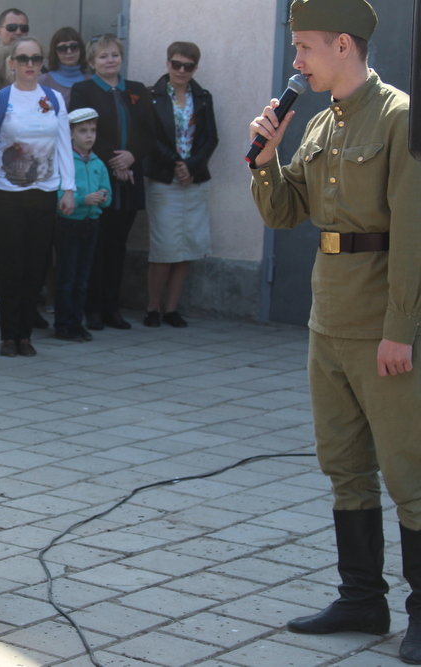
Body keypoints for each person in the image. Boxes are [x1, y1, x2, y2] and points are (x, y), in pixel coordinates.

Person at [248, 1, 421, 662]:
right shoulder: (320, 124)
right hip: (330, 320)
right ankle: (361, 597)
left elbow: (412, 234)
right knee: (344, 465)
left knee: (410, 471)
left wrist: (401, 327)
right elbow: (287, 211)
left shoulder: (401, 119)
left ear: (343, 44)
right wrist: (266, 159)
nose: (296, 63)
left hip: (383, 324)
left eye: (305, 50)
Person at [0, 36, 75, 358]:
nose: (30, 65)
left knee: (35, 266)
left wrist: (69, 189)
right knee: (9, 266)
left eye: (36, 59)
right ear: (12, 63)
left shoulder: (54, 99)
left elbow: (64, 144)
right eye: (23, 59)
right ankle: (8, 336)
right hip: (7, 193)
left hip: (44, 193)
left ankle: (25, 336)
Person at [69, 34, 153, 331]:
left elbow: (148, 131)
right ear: (92, 62)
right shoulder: (83, 90)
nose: (110, 60)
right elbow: (84, 130)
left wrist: (131, 157)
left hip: (129, 179)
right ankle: (91, 309)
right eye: (103, 56)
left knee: (118, 247)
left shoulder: (138, 90)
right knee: (96, 245)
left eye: (114, 54)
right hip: (96, 176)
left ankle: (111, 308)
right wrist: (115, 161)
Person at [144, 41, 218, 329]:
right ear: (168, 64)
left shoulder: (202, 97)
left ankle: (171, 309)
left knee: (188, 247)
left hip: (194, 181)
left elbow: (211, 137)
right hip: (165, 179)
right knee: (164, 247)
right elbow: (150, 137)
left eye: (188, 66)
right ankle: (152, 307)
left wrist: (191, 166)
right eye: (176, 64)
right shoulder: (153, 96)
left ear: (195, 68)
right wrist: (177, 163)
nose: (182, 70)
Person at [54, 107, 110, 342]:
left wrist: (103, 196)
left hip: (91, 223)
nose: (89, 136)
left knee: (82, 277)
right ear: (70, 134)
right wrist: (81, 200)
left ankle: (77, 322)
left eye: (93, 130)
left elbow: (109, 195)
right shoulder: (65, 162)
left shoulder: (98, 163)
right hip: (69, 224)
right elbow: (58, 196)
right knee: (67, 276)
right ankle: (63, 324)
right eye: (83, 131)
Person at [38, 27, 87, 108]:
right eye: (62, 48)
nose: (69, 52)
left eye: (74, 46)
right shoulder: (43, 82)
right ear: (55, 52)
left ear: (81, 49)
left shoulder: (92, 81)